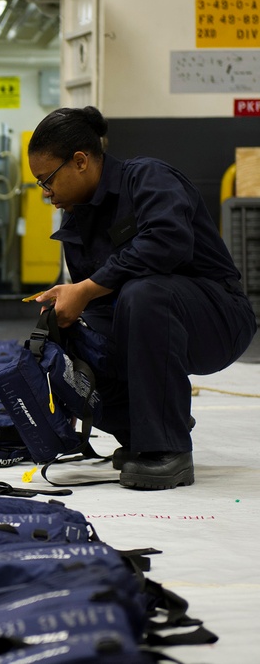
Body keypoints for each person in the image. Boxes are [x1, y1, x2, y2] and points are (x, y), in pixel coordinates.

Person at [28, 106, 256, 490]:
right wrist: (68, 318)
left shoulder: (149, 178)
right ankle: (145, 431)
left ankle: (170, 451)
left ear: (80, 161)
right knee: (72, 340)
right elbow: (98, 306)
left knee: (145, 292)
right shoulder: (77, 220)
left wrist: (84, 289)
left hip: (217, 319)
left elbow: (167, 244)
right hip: (144, 321)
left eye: (47, 181)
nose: (47, 194)